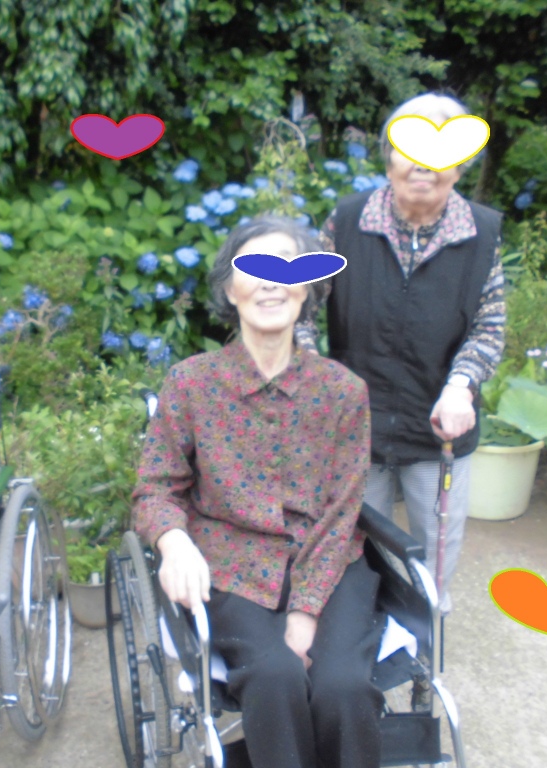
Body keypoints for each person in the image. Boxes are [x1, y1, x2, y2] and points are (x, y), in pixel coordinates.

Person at [133, 216, 384, 768]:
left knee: (343, 687)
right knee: (274, 675)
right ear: (230, 289)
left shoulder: (343, 391)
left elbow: (343, 511)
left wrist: (306, 611)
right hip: (230, 565)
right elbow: (155, 486)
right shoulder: (191, 383)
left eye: (289, 267)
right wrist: (173, 541)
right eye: (255, 267)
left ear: (308, 288)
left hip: (328, 561)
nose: (273, 282)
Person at [296, 92, 506, 614]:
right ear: (389, 157)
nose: (423, 166)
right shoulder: (347, 221)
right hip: (355, 423)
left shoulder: (481, 234)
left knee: (436, 550)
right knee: (359, 544)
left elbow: (489, 326)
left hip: (438, 425)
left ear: (459, 166)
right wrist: (314, 377)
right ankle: (367, 629)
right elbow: (302, 306)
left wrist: (462, 386)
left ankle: (425, 626)